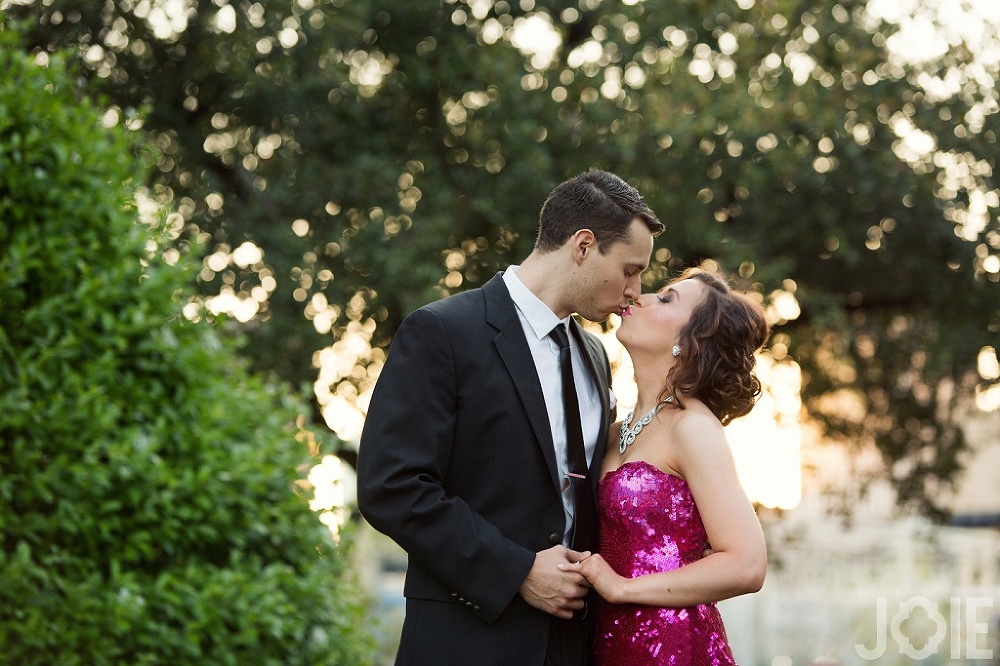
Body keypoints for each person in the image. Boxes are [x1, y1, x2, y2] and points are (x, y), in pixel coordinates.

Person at [356, 170, 664, 665]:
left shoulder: (594, 355)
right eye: (631, 269)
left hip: (570, 646)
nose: (636, 289)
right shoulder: (443, 333)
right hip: (465, 642)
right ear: (583, 246)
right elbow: (391, 486)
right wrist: (516, 571)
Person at [562, 267, 769, 665]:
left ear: (690, 343)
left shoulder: (693, 429)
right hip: (604, 645)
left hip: (672, 647)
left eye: (666, 298)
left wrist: (622, 589)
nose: (640, 296)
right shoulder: (613, 430)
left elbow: (747, 564)